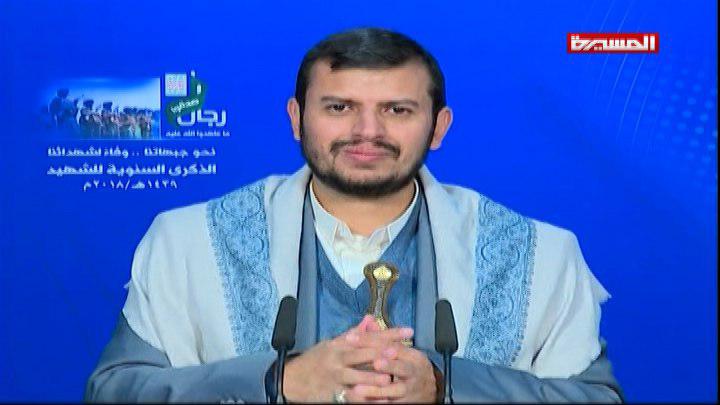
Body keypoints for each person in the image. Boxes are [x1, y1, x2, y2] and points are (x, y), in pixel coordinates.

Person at [85, 27, 623, 403]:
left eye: (397, 110)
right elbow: (114, 393)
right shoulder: (189, 240)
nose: (367, 132)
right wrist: (277, 383)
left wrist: (446, 387)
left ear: (439, 127)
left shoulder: (540, 253)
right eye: (339, 107)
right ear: (297, 119)